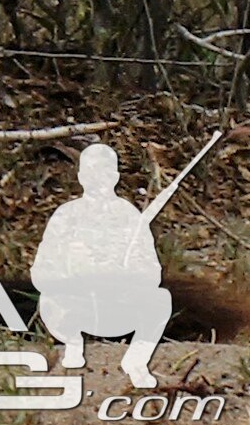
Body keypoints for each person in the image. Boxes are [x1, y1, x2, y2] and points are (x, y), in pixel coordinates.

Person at [32, 142, 181, 387]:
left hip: (118, 305)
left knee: (160, 299)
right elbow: (41, 272)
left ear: (115, 177)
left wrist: (122, 278)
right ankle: (73, 347)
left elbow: (152, 272)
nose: (97, 179)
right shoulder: (65, 215)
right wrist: (73, 278)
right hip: (75, 304)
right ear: (81, 176)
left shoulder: (130, 215)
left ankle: (136, 360)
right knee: (48, 300)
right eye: (91, 172)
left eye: (104, 173)